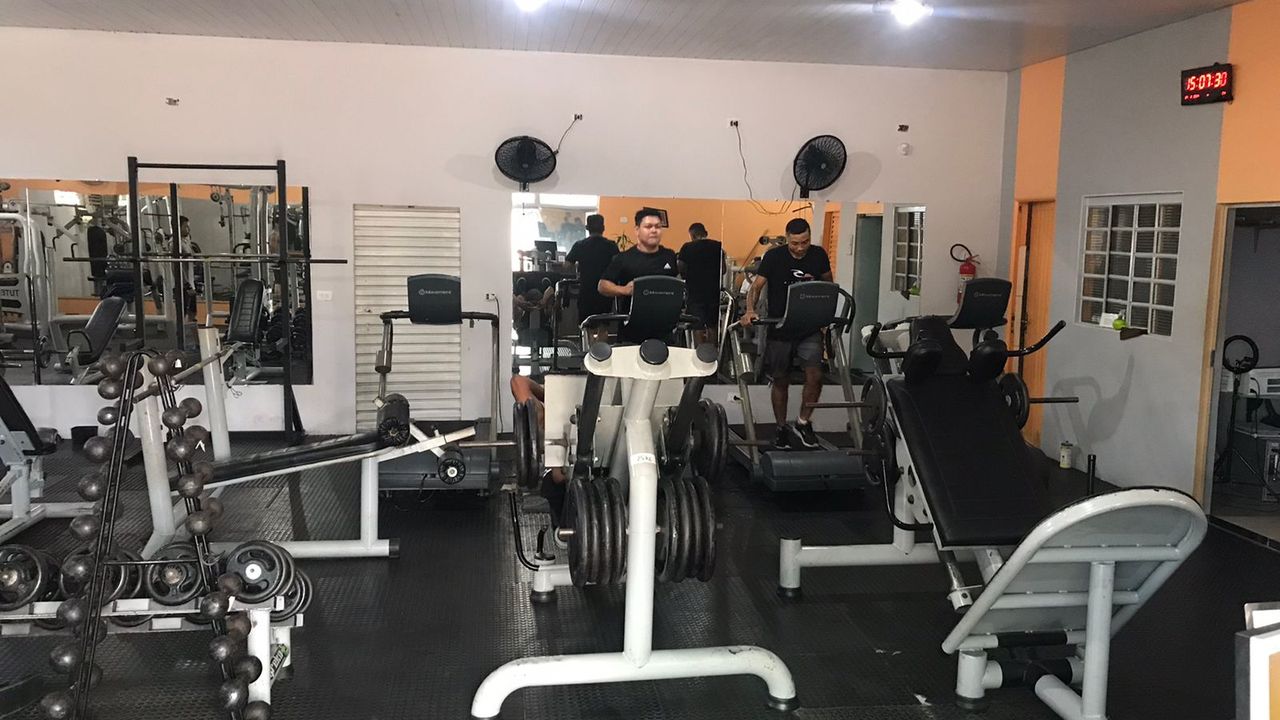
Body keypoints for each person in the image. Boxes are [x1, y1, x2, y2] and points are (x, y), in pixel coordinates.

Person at [739, 217, 833, 450]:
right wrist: (750, 310)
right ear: (787, 239)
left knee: (815, 376)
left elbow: (828, 286)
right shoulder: (774, 257)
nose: (800, 248)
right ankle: (781, 427)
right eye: (795, 243)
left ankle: (803, 423)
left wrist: (826, 316)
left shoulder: (818, 255)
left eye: (805, 242)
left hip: (809, 327)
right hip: (780, 327)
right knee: (781, 380)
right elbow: (756, 287)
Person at [599, 208, 679, 328]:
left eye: (658, 227)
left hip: (665, 326)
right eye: (648, 226)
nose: (654, 230)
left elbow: (677, 282)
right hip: (632, 327)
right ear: (637, 230)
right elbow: (602, 285)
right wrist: (624, 290)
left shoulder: (670, 255)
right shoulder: (624, 258)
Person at [511, 375, 567, 528]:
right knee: (552, 484)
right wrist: (550, 398)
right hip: (565, 482)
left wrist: (551, 400)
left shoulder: (543, 417)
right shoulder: (540, 416)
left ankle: (562, 530)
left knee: (553, 483)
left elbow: (558, 477)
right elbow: (518, 381)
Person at [677, 222, 724, 344]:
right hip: (713, 292)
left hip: (695, 292)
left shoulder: (687, 247)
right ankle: (712, 352)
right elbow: (723, 269)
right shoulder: (718, 246)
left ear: (692, 235)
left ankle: (699, 352)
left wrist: (686, 276)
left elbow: (681, 267)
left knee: (697, 325)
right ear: (705, 233)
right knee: (712, 325)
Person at [565, 214, 618, 322]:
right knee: (603, 324)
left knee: (586, 324)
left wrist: (579, 266)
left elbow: (566, 266)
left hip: (586, 292)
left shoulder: (579, 245)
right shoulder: (611, 246)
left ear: (587, 228)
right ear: (603, 228)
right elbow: (618, 265)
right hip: (604, 292)